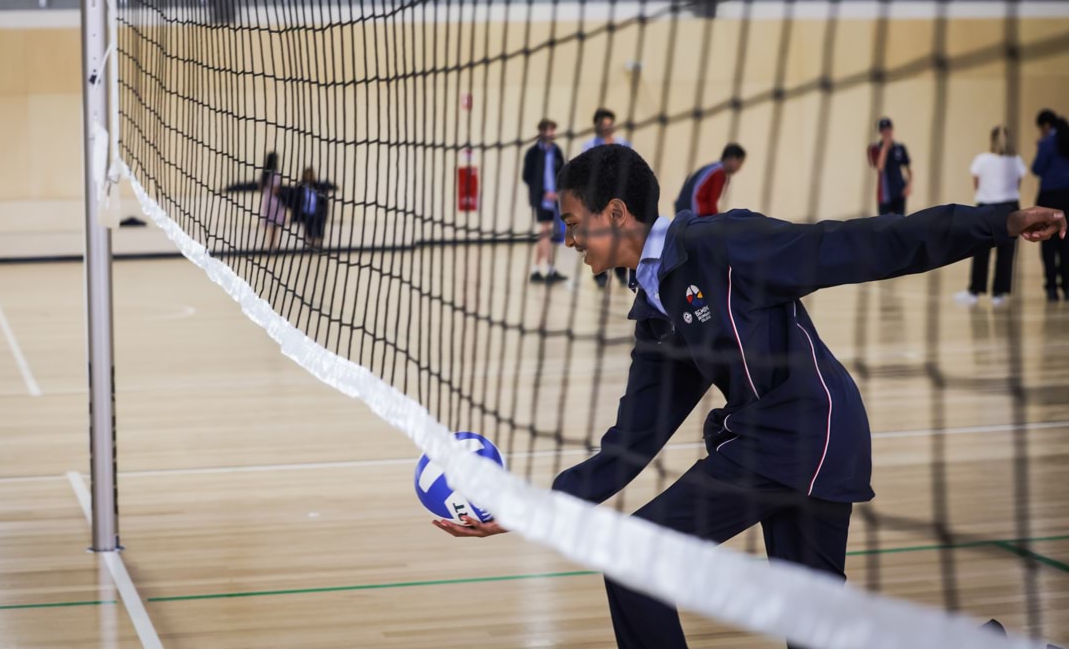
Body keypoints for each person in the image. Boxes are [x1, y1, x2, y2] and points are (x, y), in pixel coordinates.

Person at [434, 143, 1066, 649]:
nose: (568, 240)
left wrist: (995, 224)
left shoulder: (722, 246)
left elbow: (862, 243)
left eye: (573, 225)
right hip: (793, 441)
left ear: (617, 213)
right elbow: (627, 448)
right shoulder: (657, 310)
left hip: (804, 432)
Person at [954, 127, 1026, 307]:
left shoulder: (982, 160)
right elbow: (1018, 184)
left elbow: (976, 183)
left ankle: (975, 291)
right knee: (1006, 251)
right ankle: (999, 293)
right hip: (1010, 208)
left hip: (986, 207)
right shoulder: (1016, 161)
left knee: (980, 249)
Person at [581, 108, 633, 288]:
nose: (608, 128)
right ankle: (600, 274)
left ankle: (621, 271)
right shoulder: (589, 146)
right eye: (604, 125)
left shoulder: (624, 144)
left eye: (610, 125)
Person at [521, 119, 567, 283]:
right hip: (540, 198)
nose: (552, 134)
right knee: (546, 230)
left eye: (553, 130)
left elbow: (563, 172)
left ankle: (535, 270)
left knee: (544, 231)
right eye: (549, 130)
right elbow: (526, 176)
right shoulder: (533, 152)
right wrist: (543, 193)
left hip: (554, 197)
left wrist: (557, 192)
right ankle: (549, 269)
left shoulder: (556, 151)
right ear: (542, 131)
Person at [1033, 109, 1069, 301]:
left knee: (1048, 242)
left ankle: (1052, 287)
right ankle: (1068, 287)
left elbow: (1037, 168)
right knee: (1066, 242)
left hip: (1049, 198)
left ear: (1045, 126)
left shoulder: (1047, 143)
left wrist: (1040, 146)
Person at [673, 143, 745, 216]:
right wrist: (717, 217)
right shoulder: (719, 173)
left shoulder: (713, 168)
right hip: (695, 209)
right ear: (732, 159)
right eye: (740, 162)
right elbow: (712, 200)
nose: (740, 167)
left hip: (685, 207)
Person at [867, 117, 912, 215]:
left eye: (888, 130)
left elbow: (908, 169)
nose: (887, 133)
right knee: (884, 223)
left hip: (899, 191)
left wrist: (909, 185)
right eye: (884, 131)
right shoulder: (875, 148)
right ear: (880, 132)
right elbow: (880, 167)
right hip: (884, 193)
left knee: (900, 221)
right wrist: (885, 148)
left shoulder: (900, 148)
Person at [290, 167, 337, 248]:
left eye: (312, 174)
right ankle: (311, 246)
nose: (310, 176)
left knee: (319, 229)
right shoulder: (300, 187)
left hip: (318, 212)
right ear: (305, 175)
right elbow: (295, 199)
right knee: (308, 230)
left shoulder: (319, 186)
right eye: (308, 174)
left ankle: (318, 245)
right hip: (306, 212)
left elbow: (331, 187)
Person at [258, 152, 287, 251]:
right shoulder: (275, 173)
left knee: (271, 224)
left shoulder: (265, 174)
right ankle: (273, 245)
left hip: (267, 200)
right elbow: (276, 189)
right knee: (275, 224)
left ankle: (271, 245)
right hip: (275, 200)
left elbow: (261, 188)